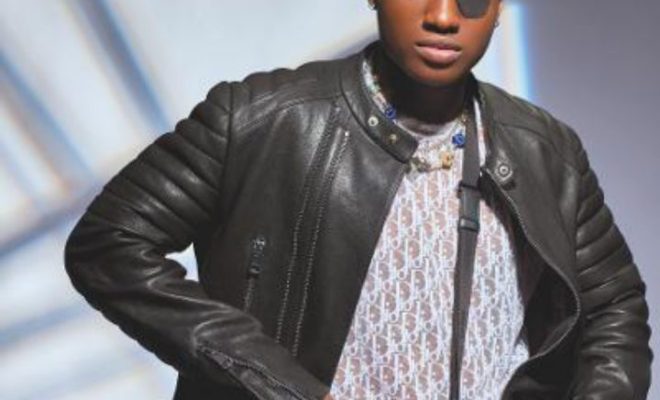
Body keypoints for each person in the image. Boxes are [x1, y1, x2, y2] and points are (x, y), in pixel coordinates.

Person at [63, 0, 653, 399]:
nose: (443, 17)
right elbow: (109, 244)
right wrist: (269, 379)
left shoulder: (546, 150)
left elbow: (614, 305)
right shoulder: (262, 119)